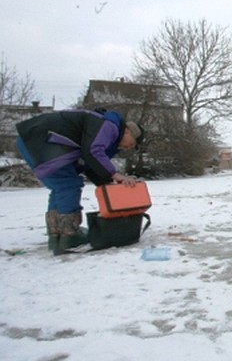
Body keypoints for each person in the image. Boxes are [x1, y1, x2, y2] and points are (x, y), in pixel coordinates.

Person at [15, 109, 143, 255]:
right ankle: (69, 235)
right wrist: (115, 174)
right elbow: (93, 151)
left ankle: (56, 235)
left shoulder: (103, 129)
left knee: (61, 186)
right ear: (127, 131)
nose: (129, 148)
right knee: (68, 185)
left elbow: (89, 163)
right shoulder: (111, 126)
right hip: (43, 139)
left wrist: (108, 182)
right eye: (132, 143)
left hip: (34, 139)